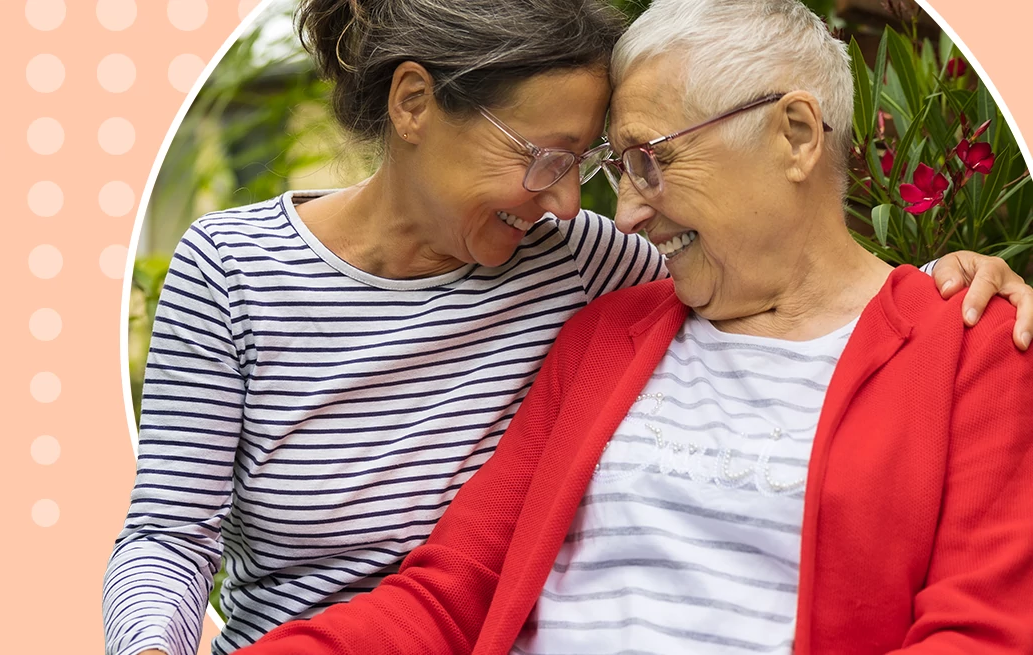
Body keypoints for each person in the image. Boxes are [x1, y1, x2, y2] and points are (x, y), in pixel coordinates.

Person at [102, 1, 1033, 654]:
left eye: (645, 163)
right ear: (413, 104)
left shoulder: (967, 342)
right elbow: (453, 582)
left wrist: (960, 281)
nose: (610, 212)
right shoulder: (612, 324)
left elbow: (984, 629)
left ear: (795, 134)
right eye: (601, 166)